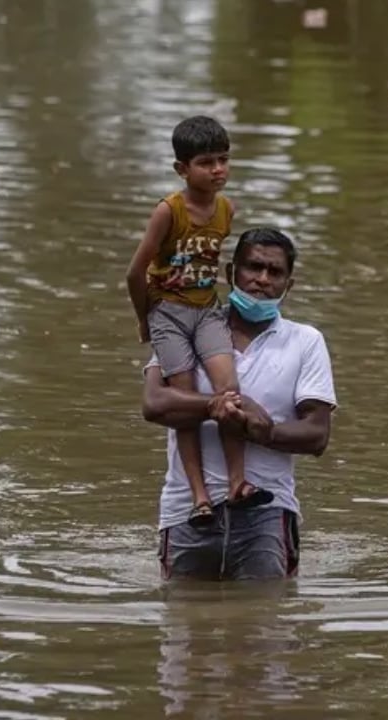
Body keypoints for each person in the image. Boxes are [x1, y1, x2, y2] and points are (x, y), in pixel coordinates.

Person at [142, 227, 337, 581]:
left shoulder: (305, 341)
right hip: (186, 510)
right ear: (231, 272)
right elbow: (154, 404)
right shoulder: (185, 327)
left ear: (288, 285)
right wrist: (219, 405)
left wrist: (264, 430)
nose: (261, 279)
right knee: (185, 628)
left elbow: (317, 434)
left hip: (267, 510)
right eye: (253, 267)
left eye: (274, 272)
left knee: (266, 629)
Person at [125, 115, 269, 530]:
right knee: (184, 405)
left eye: (224, 160)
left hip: (207, 310)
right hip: (167, 312)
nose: (218, 170)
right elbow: (135, 273)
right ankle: (200, 497)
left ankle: (237, 483)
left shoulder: (226, 209)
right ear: (182, 169)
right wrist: (144, 321)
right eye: (206, 162)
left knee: (230, 389)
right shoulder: (168, 212)